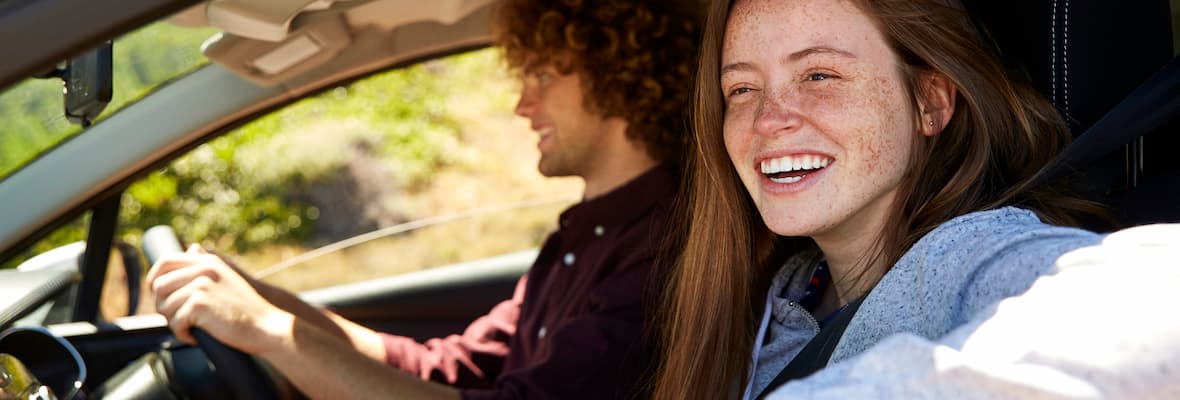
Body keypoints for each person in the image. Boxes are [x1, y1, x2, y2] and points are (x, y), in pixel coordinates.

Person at [147, 0, 701, 399]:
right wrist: (268, 305)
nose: (522, 105)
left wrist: (265, 332)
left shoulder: (664, 255)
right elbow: (446, 367)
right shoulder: (580, 238)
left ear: (620, 71)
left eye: (542, 74)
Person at [655, 0, 1180, 399]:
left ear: (929, 102)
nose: (768, 120)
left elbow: (1154, 296)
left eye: (819, 75)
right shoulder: (781, 293)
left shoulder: (966, 256)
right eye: (742, 90)